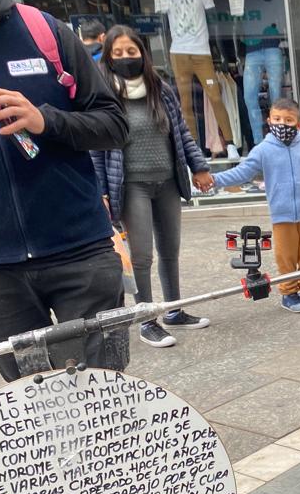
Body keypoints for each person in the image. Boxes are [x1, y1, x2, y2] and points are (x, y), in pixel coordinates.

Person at [0, 0, 130, 381]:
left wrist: (45, 120)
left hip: (79, 252)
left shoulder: (44, 31)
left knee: (101, 394)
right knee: (31, 410)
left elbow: (114, 125)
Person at [90, 24, 213, 348]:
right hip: (132, 186)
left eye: (132, 51)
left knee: (170, 251)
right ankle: (147, 321)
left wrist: (198, 166)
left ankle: (173, 311)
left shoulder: (160, 87)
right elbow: (96, 149)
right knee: (142, 255)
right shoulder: (104, 95)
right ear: (108, 56)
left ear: (142, 53)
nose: (126, 58)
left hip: (168, 181)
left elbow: (182, 132)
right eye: (118, 53)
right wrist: (99, 190)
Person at [204, 98, 300, 313]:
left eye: (288, 120)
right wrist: (215, 179)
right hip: (282, 215)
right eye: (277, 119)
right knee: (286, 257)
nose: (282, 124)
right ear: (269, 120)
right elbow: (242, 172)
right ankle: (289, 294)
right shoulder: (264, 149)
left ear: (299, 124)